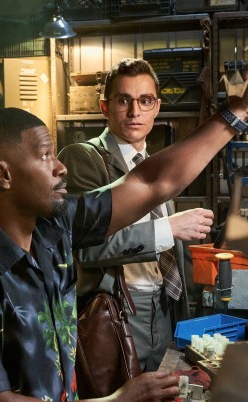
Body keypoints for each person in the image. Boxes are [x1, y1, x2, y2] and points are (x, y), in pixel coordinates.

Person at [0, 46, 248, 402]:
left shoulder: (53, 227)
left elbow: (152, 182)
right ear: (2, 175)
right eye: (44, 156)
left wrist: (239, 111)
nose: (61, 167)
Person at [57, 58, 214, 372]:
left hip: (164, 307)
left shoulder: (155, 166)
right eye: (123, 100)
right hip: (116, 311)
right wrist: (168, 228)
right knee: (121, 397)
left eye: (145, 101)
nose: (134, 111)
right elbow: (85, 247)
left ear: (156, 108)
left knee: (163, 395)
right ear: (105, 107)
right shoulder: (83, 158)